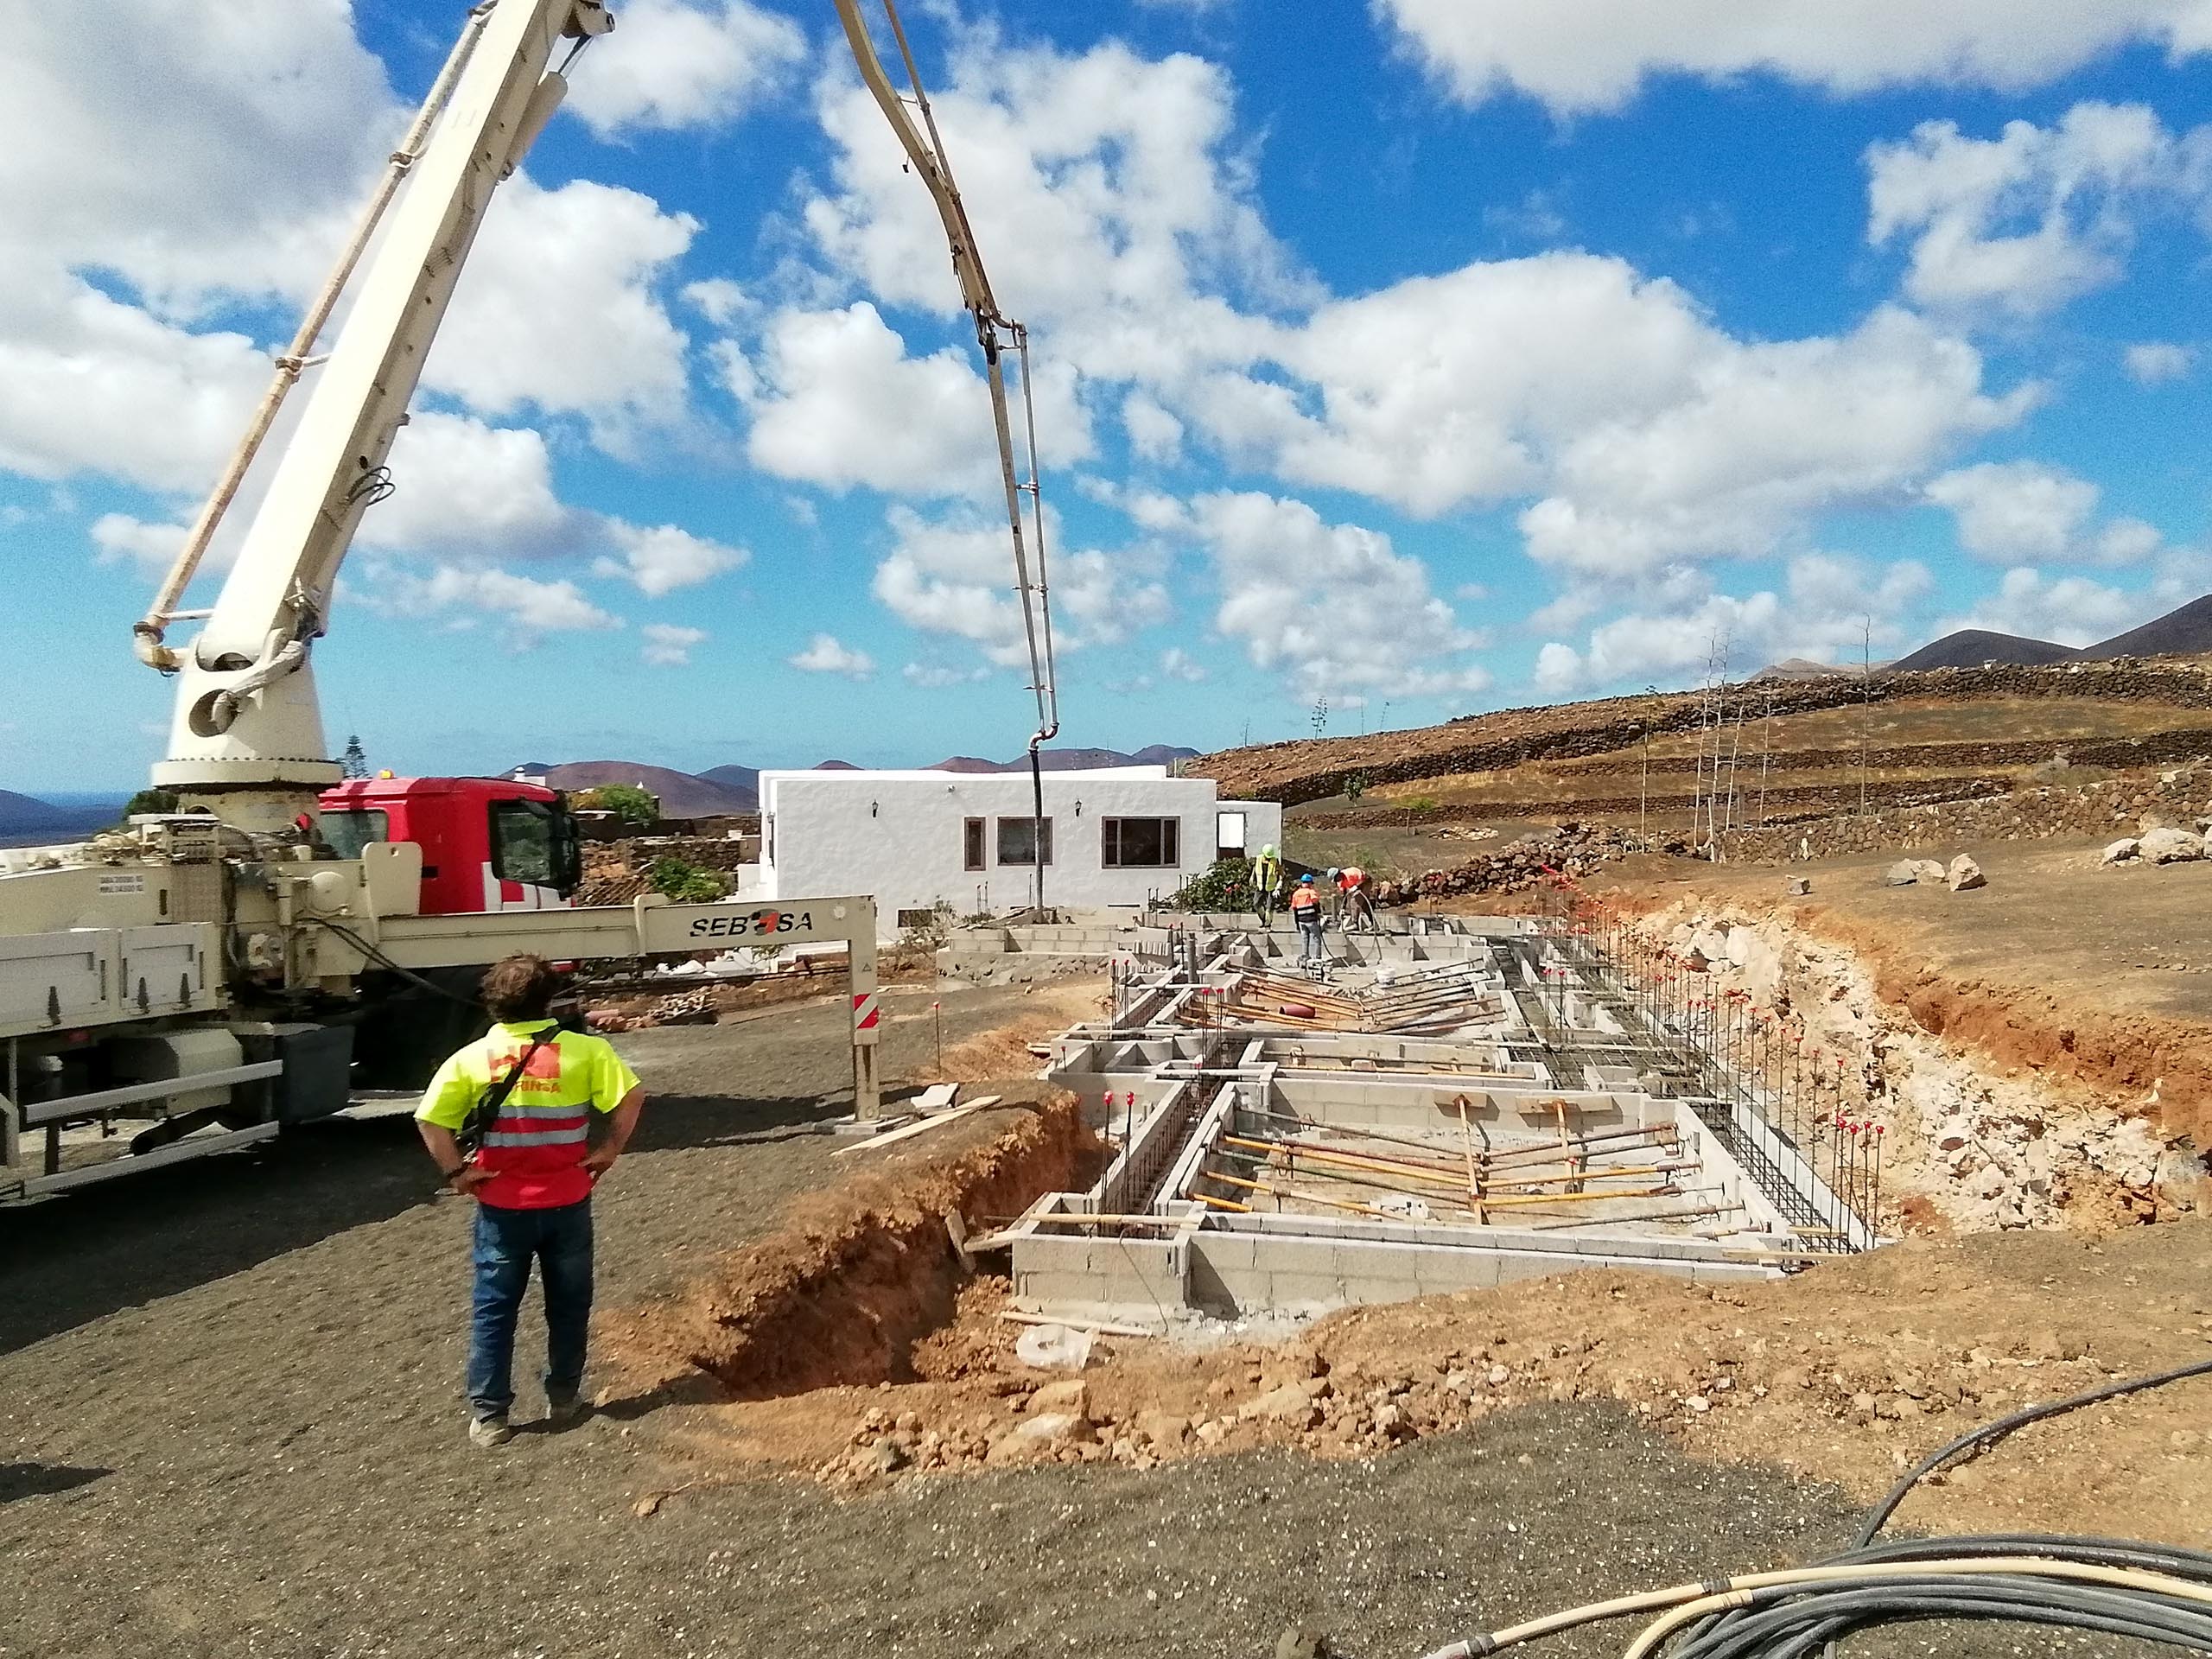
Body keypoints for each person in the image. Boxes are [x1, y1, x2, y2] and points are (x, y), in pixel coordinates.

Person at [416, 954, 645, 1448]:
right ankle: (564, 1397)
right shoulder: (588, 1051)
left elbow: (430, 1119)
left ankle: (490, 1415)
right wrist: (609, 1149)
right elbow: (632, 1096)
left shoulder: (471, 1058)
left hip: (502, 1206)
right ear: (549, 1000)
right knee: (569, 1304)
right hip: (568, 1200)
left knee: (494, 1308)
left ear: (492, 1002)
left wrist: (457, 1173)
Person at [1288, 872, 1325, 963]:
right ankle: (1317, 958)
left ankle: (1305, 956)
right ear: (1309, 883)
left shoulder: (1296, 894)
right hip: (1311, 919)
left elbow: (1294, 908)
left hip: (1301, 921)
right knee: (1316, 938)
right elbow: (1315, 902)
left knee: (1305, 939)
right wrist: (1318, 913)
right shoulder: (1310, 892)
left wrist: (1297, 923)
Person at [1249, 842, 1283, 924]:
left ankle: (1268, 924)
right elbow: (1255, 869)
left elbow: (1281, 874)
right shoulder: (1258, 859)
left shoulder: (1275, 861)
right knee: (1256, 904)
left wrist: (1279, 884)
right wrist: (1252, 877)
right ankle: (1263, 919)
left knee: (1269, 907)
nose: (1268, 859)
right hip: (1260, 886)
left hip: (1271, 888)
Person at [1339, 864, 1376, 932]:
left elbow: (1366, 878)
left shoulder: (1351, 872)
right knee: (1363, 905)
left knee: (1355, 900)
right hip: (1358, 886)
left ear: (1339, 874)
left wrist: (1357, 886)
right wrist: (1343, 909)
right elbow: (1345, 895)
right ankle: (1373, 925)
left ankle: (1355, 923)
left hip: (1365, 883)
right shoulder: (1340, 882)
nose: (1337, 880)